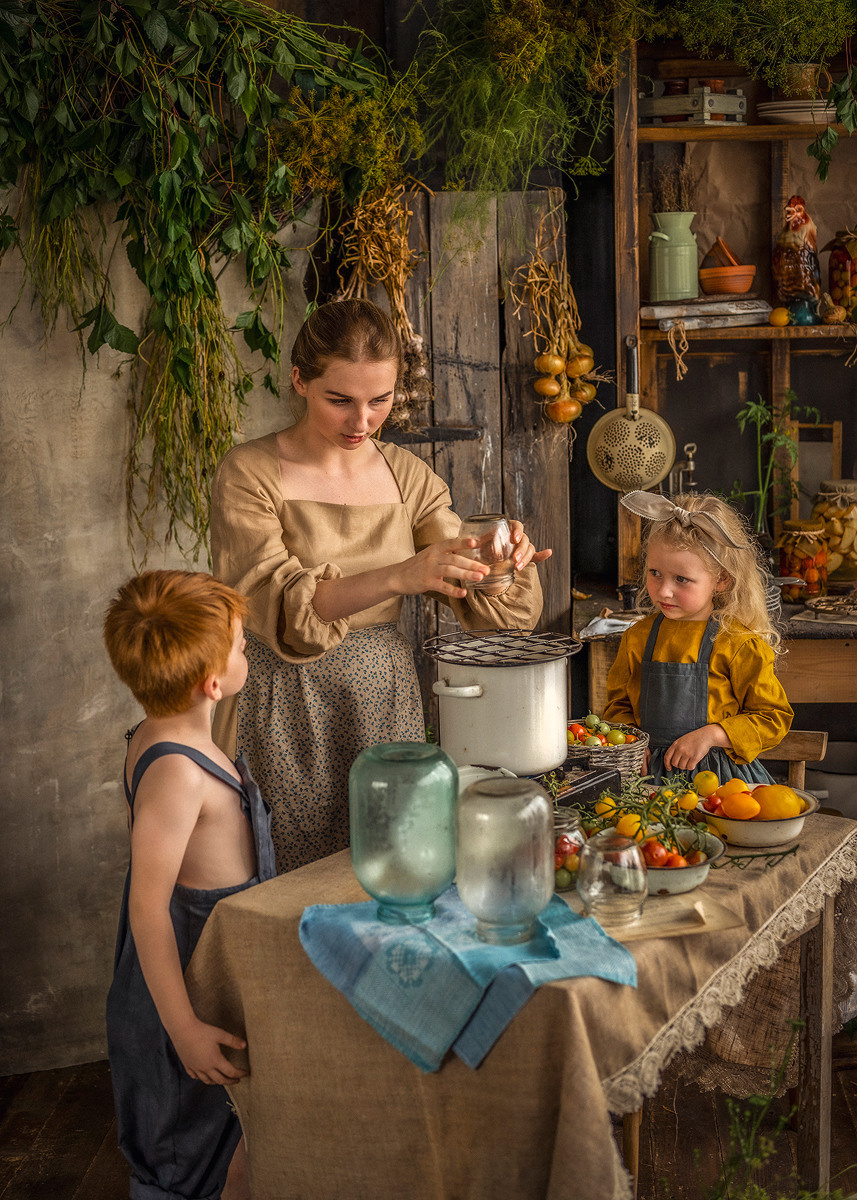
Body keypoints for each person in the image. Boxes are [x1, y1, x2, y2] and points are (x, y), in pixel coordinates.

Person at [210, 298, 551, 873]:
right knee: (287, 883)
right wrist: (399, 574)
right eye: (339, 399)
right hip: (283, 706)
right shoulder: (248, 472)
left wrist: (500, 562)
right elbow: (280, 606)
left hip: (382, 703)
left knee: (391, 873)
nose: (362, 421)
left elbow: (474, 586)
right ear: (299, 380)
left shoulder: (409, 475)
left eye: (380, 400)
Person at [103, 569, 276, 1200]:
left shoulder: (170, 729)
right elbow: (147, 909)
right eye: (238, 645)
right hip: (183, 992)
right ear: (211, 683)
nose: (246, 649)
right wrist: (183, 1030)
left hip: (219, 971)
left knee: (238, 1144)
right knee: (189, 1154)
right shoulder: (176, 771)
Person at [603, 490, 793, 785]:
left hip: (722, 783)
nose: (664, 590)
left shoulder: (737, 643)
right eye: (655, 573)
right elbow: (618, 705)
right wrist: (629, 739)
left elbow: (773, 717)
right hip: (648, 781)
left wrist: (714, 735)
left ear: (721, 579)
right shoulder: (636, 638)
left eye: (681, 579)